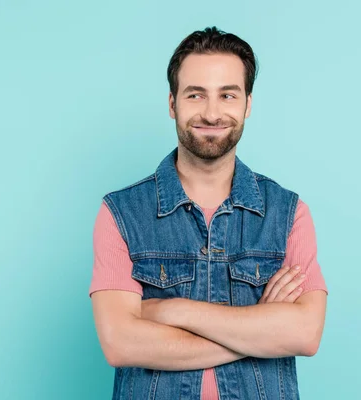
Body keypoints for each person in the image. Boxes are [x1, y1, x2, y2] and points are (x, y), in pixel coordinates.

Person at [89, 26, 328, 400]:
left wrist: (175, 311)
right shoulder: (120, 213)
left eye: (227, 95)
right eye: (196, 94)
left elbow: (305, 333)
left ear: (247, 104)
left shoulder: (289, 213)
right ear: (173, 104)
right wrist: (259, 332)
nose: (212, 113)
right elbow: (120, 343)